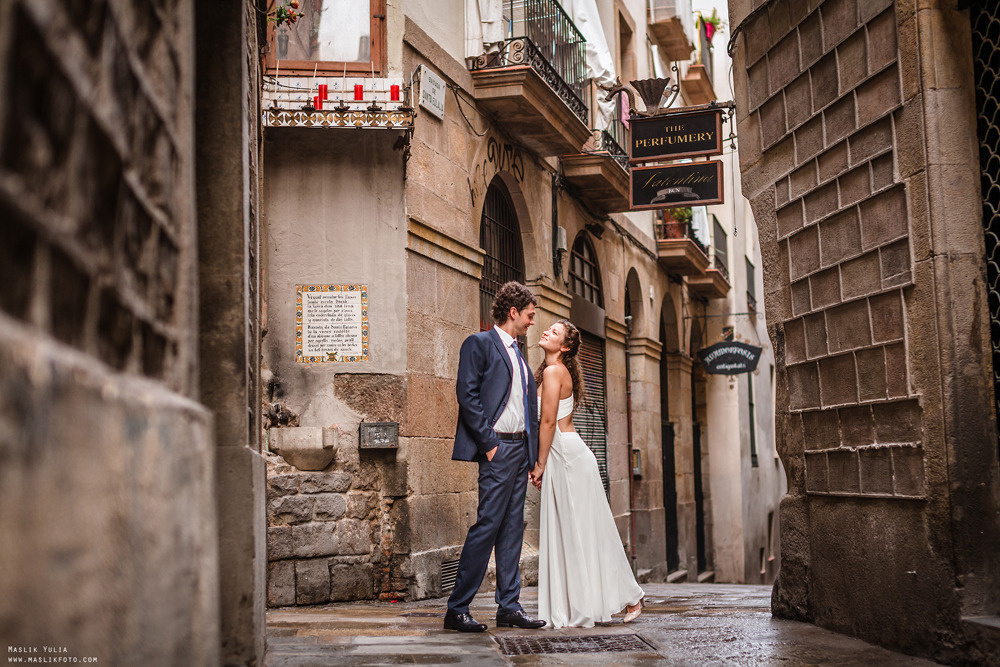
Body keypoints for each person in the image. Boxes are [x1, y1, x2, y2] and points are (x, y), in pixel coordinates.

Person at [444, 281, 547, 633]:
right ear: (513, 312)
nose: (533, 322)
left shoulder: (519, 353)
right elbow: (467, 394)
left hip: (520, 452)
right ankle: (457, 609)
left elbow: (525, 410)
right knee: (487, 525)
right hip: (499, 449)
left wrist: (533, 458)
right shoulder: (480, 343)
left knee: (512, 529)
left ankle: (509, 607)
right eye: (530, 315)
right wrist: (490, 444)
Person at [529, 320, 644, 628]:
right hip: (564, 454)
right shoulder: (550, 371)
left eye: (554, 332)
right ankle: (582, 602)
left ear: (564, 347)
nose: (546, 332)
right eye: (549, 329)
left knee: (585, 532)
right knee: (578, 532)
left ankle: (631, 596)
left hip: (567, 457)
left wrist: (539, 465)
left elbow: (549, 422)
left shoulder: (554, 372)